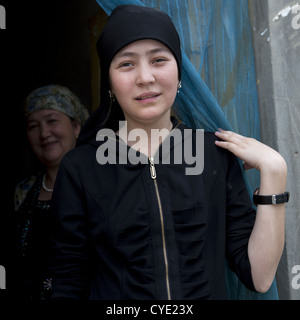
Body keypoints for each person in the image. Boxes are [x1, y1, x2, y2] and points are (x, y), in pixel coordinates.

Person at [50, 5, 288, 300]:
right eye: (126, 64)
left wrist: (275, 170)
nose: (145, 77)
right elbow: (68, 282)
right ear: (109, 82)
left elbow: (259, 276)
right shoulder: (81, 167)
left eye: (159, 60)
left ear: (179, 73)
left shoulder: (213, 155)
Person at [10, 84, 89, 300]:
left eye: (52, 121)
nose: (44, 133)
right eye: (33, 126)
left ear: (76, 126)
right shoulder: (23, 192)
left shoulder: (101, 186)